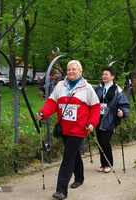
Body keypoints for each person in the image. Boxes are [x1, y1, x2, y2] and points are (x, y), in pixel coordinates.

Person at [36, 60, 100, 200]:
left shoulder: (87, 87)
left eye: (74, 69)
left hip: (79, 128)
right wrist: (43, 113)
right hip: (64, 127)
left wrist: (92, 123)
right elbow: (52, 103)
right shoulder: (60, 85)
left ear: (80, 71)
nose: (71, 72)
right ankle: (80, 177)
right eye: (69, 69)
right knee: (74, 153)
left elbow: (95, 108)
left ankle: (61, 190)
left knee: (68, 156)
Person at [94, 66, 130, 173]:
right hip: (98, 118)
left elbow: (124, 105)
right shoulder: (98, 88)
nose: (104, 76)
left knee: (105, 141)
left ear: (112, 76)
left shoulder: (117, 90)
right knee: (100, 142)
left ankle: (109, 163)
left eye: (106, 74)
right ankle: (103, 164)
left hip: (109, 119)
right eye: (103, 74)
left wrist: (121, 112)